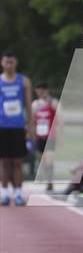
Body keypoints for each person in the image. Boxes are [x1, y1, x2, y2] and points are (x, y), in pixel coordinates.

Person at [0, 51, 33, 206]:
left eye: (11, 62)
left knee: (18, 162)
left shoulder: (23, 81)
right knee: (4, 163)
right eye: (6, 62)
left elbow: (28, 106)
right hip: (2, 127)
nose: (9, 65)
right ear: (2, 63)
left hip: (18, 127)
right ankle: (5, 193)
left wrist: (31, 126)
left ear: (16, 63)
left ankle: (19, 193)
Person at [32, 82, 60, 192]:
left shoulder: (53, 103)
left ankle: (50, 181)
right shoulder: (35, 104)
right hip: (39, 136)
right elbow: (33, 120)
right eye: (38, 91)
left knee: (49, 159)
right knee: (41, 159)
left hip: (50, 136)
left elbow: (60, 119)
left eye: (42, 91)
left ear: (46, 90)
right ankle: (47, 176)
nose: (40, 93)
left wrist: (60, 134)